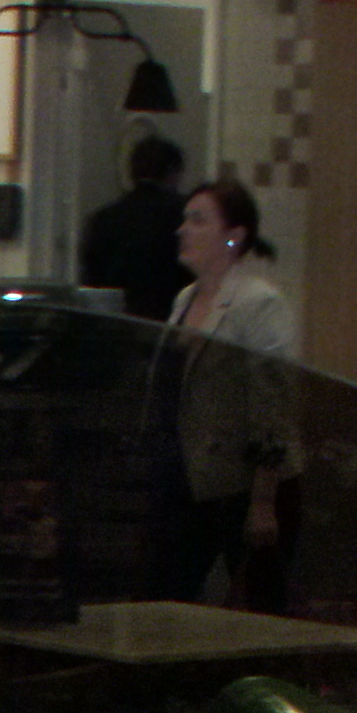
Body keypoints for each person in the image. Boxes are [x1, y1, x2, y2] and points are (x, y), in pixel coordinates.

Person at [150, 175, 301, 611]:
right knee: (165, 597)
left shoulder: (259, 302)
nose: (183, 230)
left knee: (260, 604)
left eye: (198, 220)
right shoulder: (185, 299)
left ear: (233, 236)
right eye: (185, 219)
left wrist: (263, 501)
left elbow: (272, 404)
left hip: (242, 483)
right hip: (189, 477)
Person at [77, 133, 189, 321]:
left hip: (117, 322)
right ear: (172, 172)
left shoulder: (104, 219)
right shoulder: (183, 215)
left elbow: (92, 283)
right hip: (167, 319)